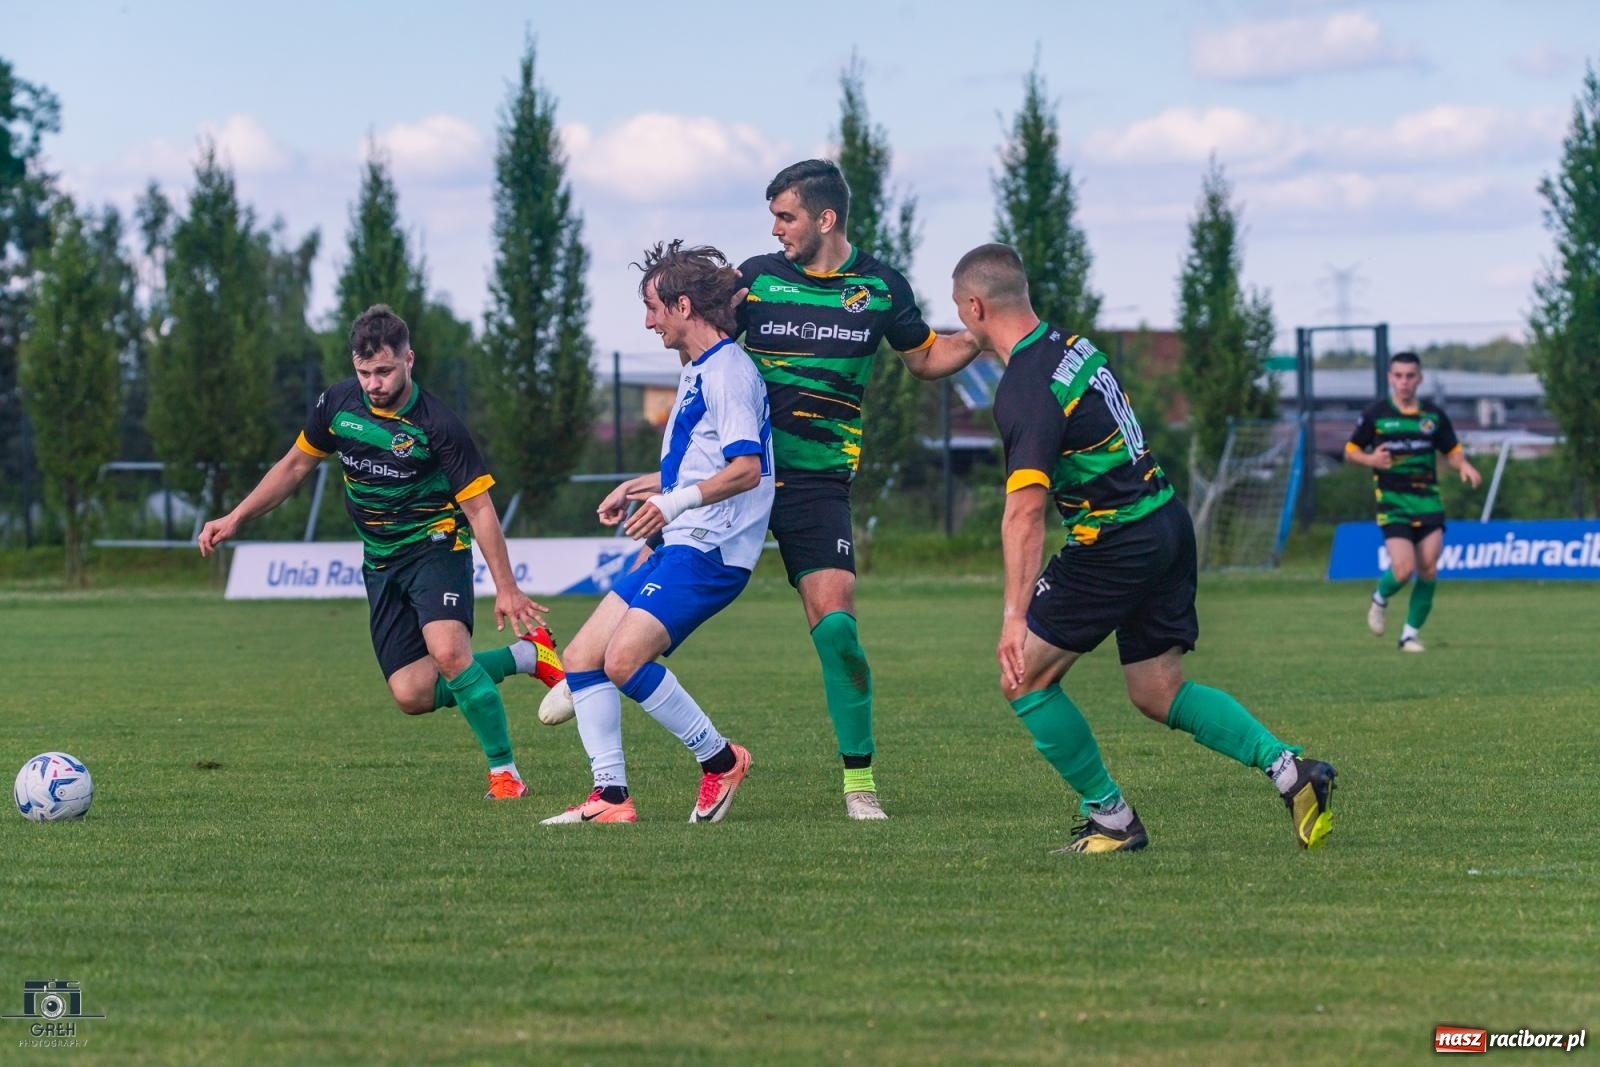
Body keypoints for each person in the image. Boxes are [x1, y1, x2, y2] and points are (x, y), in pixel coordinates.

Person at [951, 243, 1336, 853]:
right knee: (1157, 690)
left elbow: (1024, 513)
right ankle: (1292, 772)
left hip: (1114, 542)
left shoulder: (1023, 389)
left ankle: (1111, 817)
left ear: (974, 306)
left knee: (1024, 679)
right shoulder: (1072, 348)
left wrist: (1012, 616)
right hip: (1165, 523)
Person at [198, 304, 564, 800]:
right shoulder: (338, 405)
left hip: (436, 545)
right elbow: (293, 467)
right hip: (380, 560)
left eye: (385, 370)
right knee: (411, 694)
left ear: (409, 360)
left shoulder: (439, 426)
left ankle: (505, 773)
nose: (374, 382)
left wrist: (507, 587)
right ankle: (528, 655)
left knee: (449, 654)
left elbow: (479, 510)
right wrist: (235, 516)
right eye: (364, 371)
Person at [736, 159, 981, 820]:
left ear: (825, 218)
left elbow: (926, 356)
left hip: (816, 484)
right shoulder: (753, 280)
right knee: (659, 605)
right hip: (739, 477)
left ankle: (859, 782)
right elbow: (701, 346)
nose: (776, 228)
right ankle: (586, 672)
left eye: (785, 216)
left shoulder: (878, 287)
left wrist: (988, 335)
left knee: (839, 628)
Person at [541, 241, 773, 826]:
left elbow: (746, 470)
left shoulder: (729, 372)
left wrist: (672, 503)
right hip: (682, 538)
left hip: (710, 549)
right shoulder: (700, 368)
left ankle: (720, 760)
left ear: (683, 305)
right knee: (581, 657)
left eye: (652, 308)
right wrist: (643, 485)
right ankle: (611, 798)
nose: (648, 321)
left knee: (622, 660)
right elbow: (702, 463)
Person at [1345, 351, 1482, 652]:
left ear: (1419, 379)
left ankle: (1409, 635)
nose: (1404, 382)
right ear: (1390, 378)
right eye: (1398, 376)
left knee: (1429, 568)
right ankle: (1380, 598)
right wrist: (1371, 459)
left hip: (1427, 499)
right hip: (1393, 500)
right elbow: (1350, 450)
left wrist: (1464, 465)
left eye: (1410, 376)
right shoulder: (1376, 414)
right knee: (1403, 569)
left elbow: (1452, 450)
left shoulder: (1432, 417)